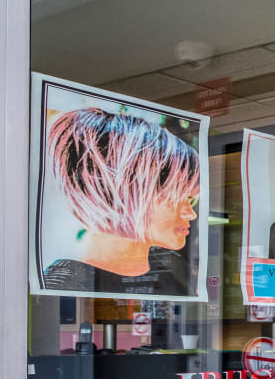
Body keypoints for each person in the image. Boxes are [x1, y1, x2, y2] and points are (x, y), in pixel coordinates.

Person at [40, 107, 200, 296]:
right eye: (177, 197)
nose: (191, 213)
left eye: (191, 199)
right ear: (120, 191)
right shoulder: (63, 283)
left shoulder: (173, 267)